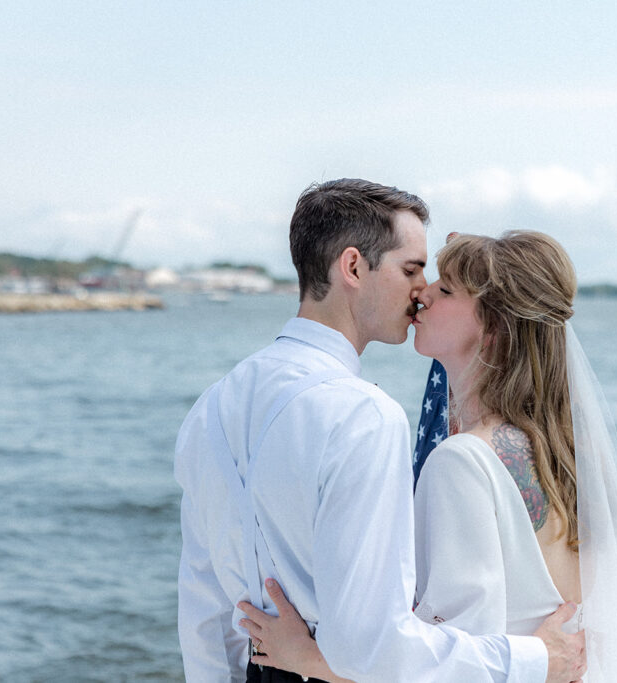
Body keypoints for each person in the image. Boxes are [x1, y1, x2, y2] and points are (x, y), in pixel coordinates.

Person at [175, 180, 587, 683]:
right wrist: (535, 660)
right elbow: (373, 644)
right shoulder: (363, 416)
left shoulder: (210, 408)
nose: (422, 290)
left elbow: (205, 611)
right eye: (411, 269)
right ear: (352, 267)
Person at [240, 231, 617, 681]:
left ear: (492, 329)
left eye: (446, 289)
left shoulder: (463, 463)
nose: (423, 293)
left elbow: (454, 670)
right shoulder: (567, 455)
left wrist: (306, 658)